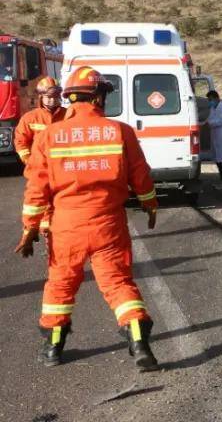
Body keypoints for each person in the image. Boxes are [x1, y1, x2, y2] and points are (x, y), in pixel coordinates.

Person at [15, 65, 159, 370]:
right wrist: (150, 205)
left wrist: (30, 228)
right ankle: (138, 341)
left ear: (71, 98)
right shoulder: (121, 131)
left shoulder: (51, 136)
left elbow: (37, 187)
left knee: (60, 285)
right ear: (97, 98)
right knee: (119, 283)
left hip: (66, 226)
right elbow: (141, 177)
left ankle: (53, 348)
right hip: (109, 224)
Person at [14, 76, 65, 235]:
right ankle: (44, 228)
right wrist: (30, 161)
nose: (52, 101)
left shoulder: (68, 115)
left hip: (63, 169)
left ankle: (58, 227)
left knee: (62, 200)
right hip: (40, 170)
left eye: (55, 97)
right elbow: (21, 142)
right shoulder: (30, 118)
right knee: (40, 199)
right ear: (41, 97)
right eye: (49, 97)